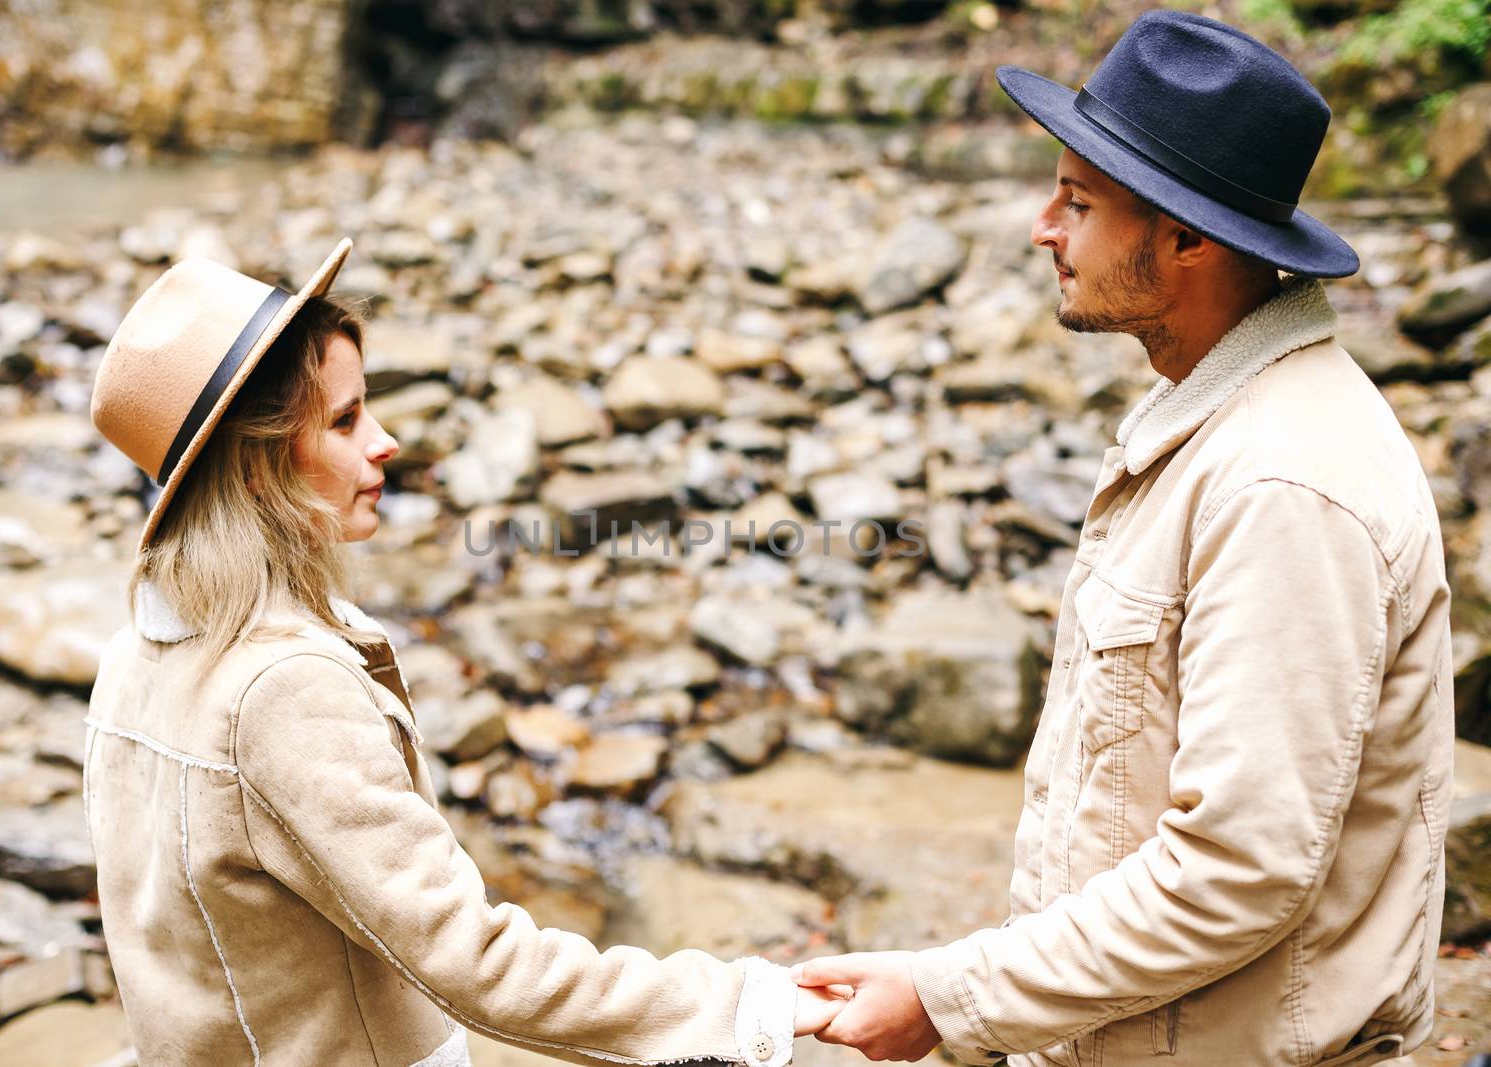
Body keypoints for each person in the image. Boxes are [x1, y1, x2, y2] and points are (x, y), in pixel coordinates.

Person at [791, 11, 1455, 1067]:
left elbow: (1236, 869)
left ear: (1189, 241)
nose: (1040, 226)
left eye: (1079, 201)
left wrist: (949, 996)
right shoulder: (1213, 420)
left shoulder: (1282, 481)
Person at [83, 239, 843, 1066]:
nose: (387, 441)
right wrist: (748, 1001)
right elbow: (474, 960)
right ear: (258, 467)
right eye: (344, 420)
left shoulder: (134, 657)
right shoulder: (280, 688)